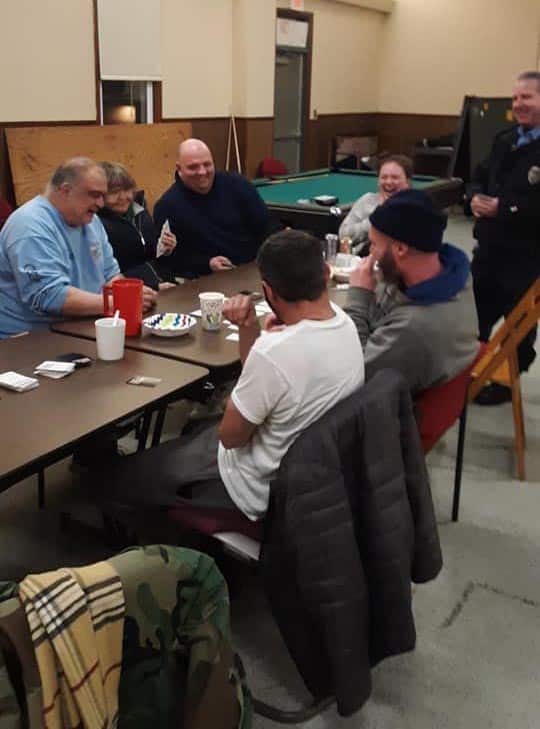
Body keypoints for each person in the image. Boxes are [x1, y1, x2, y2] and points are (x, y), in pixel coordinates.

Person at [94, 229, 364, 522]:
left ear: (268, 291)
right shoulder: (344, 321)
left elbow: (231, 437)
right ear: (325, 273)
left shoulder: (276, 351)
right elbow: (266, 376)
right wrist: (250, 328)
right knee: (186, 439)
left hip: (250, 486)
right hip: (311, 473)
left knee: (118, 480)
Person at [0, 157, 156, 338]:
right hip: (30, 340)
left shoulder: (91, 221)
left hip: (81, 327)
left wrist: (132, 294)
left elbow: (110, 274)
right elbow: (50, 297)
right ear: (65, 190)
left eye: (102, 196)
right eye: (94, 195)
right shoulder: (30, 226)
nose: (101, 204)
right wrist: (117, 303)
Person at [344, 189, 479, 395]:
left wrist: (358, 296)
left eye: (374, 244)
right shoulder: (456, 276)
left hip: (397, 414)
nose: (371, 253)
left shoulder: (413, 327)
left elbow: (353, 370)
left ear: (400, 249)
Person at [467, 70, 540, 405]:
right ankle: (468, 371)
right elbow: (478, 176)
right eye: (515, 98)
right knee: (472, 316)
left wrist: (505, 207)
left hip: (526, 257)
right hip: (488, 251)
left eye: (527, 97)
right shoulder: (505, 139)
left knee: (517, 329)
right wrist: (474, 197)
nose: (518, 104)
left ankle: (505, 383)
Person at [153, 138, 269, 278]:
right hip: (205, 280)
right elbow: (171, 260)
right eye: (193, 167)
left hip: (254, 269)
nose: (202, 172)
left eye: (207, 164)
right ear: (179, 169)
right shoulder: (167, 206)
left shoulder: (238, 184)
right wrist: (208, 263)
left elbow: (265, 226)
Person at [98, 161, 177, 290]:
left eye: (127, 190)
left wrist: (165, 249)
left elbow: (151, 254)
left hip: (164, 283)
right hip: (131, 291)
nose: (123, 197)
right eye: (114, 192)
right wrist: (153, 286)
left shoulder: (140, 212)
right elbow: (110, 275)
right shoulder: (97, 224)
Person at [338, 155, 412, 254]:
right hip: (363, 259)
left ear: (407, 181)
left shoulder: (415, 206)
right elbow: (344, 236)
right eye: (384, 177)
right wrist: (376, 216)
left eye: (395, 178)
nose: (388, 182)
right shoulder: (367, 200)